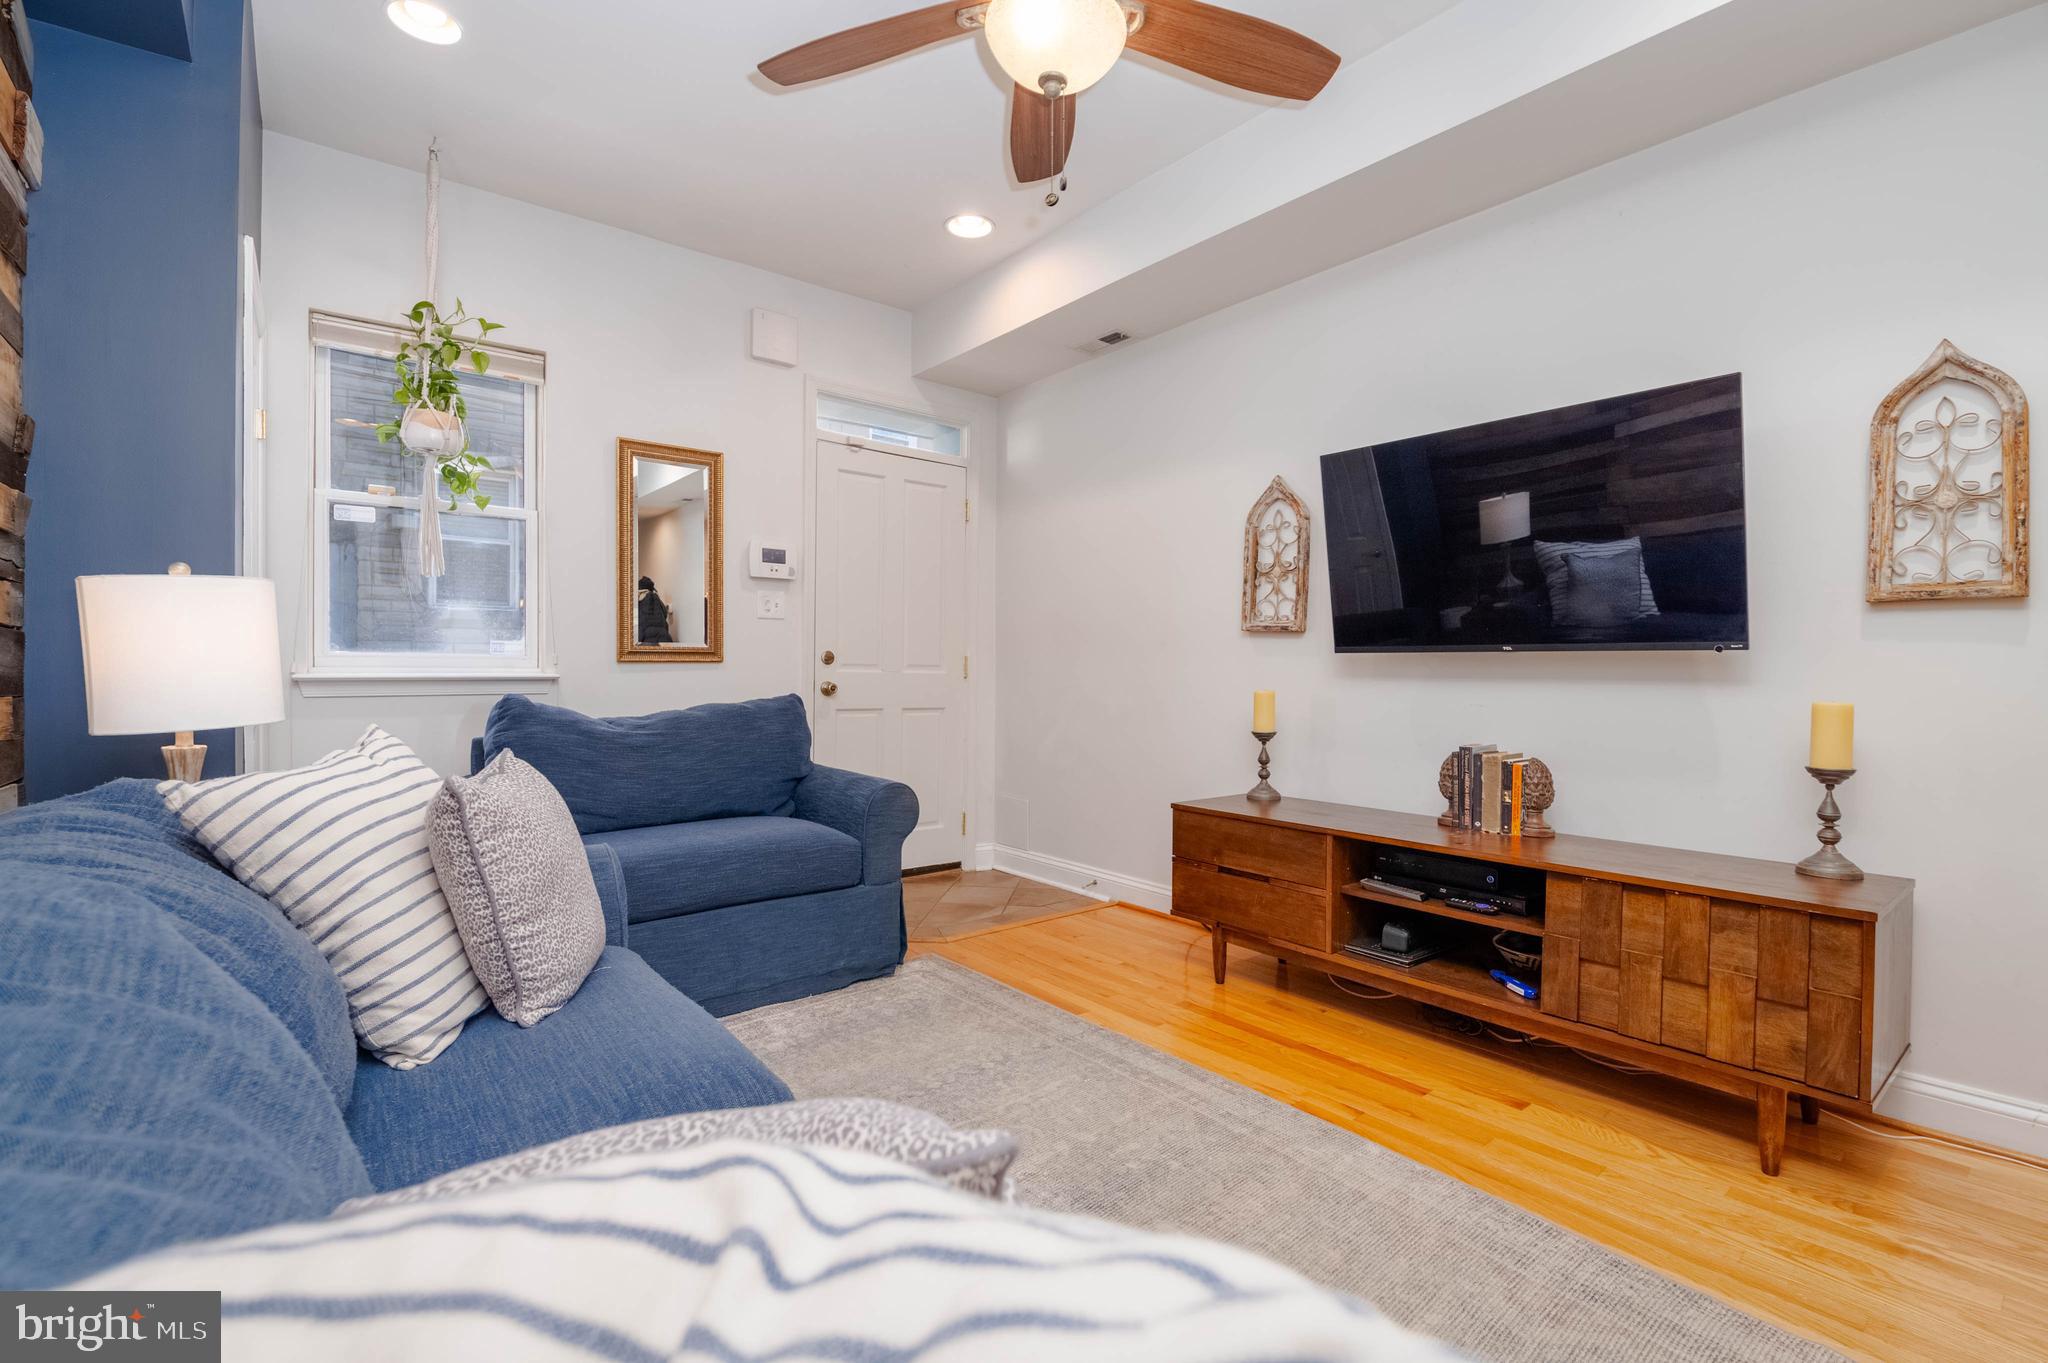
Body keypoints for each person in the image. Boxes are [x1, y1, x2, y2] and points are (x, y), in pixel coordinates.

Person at [637, 575, 673, 645]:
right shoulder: (657, 597)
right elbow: (665, 613)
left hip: (646, 639)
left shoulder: (639, 599)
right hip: (664, 637)